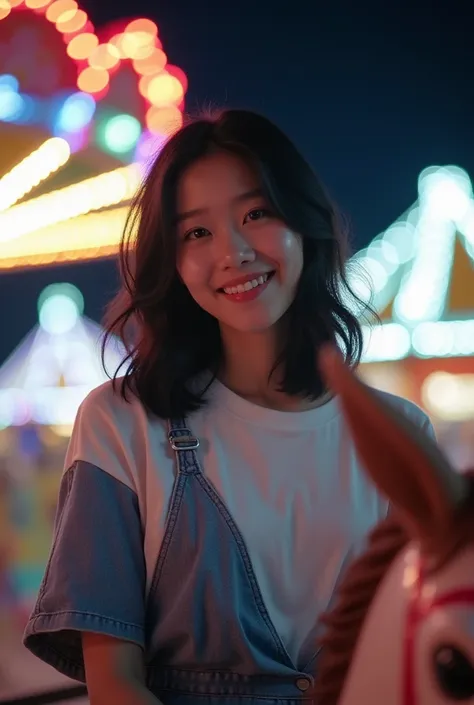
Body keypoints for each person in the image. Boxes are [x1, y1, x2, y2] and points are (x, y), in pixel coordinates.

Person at [23, 109, 434, 704]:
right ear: (173, 259)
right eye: (197, 233)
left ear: (302, 224)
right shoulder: (120, 421)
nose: (233, 252)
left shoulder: (398, 432)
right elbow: (115, 683)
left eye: (255, 214)